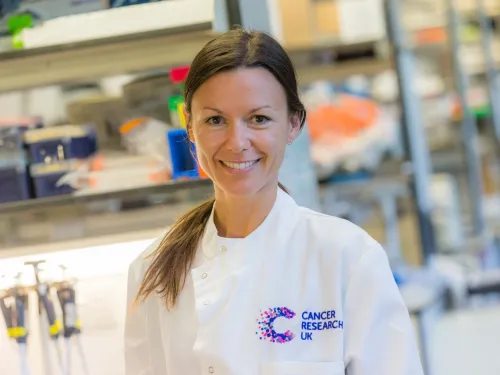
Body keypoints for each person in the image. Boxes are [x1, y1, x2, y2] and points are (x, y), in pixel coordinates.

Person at [125, 27, 424, 375]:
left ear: (294, 124)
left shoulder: (348, 257)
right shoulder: (152, 272)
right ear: (190, 129)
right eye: (215, 120)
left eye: (259, 119)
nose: (237, 142)